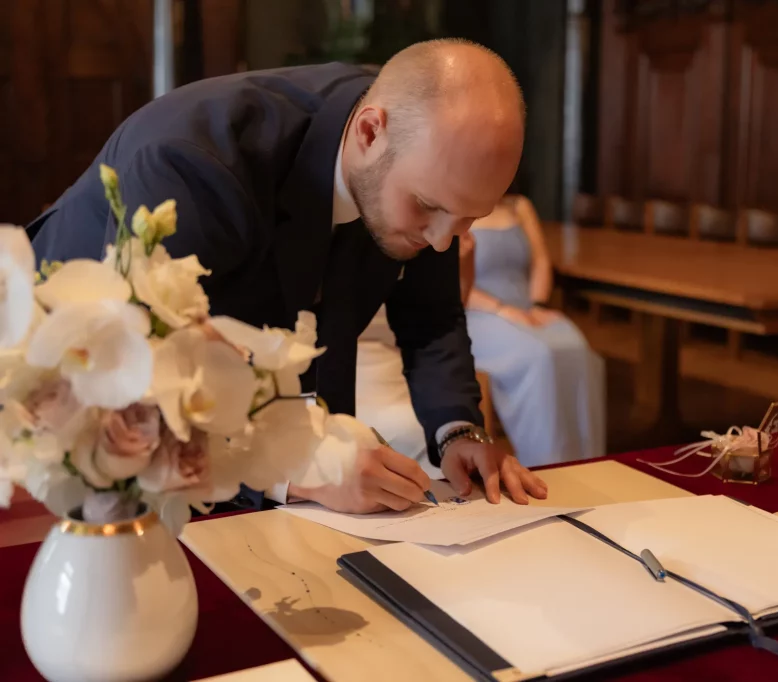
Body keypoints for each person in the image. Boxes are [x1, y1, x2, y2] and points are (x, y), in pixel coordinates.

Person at [26, 39, 548, 512]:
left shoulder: (428, 157)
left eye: (466, 221)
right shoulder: (195, 162)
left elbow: (430, 315)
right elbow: (150, 390)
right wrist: (302, 472)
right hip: (71, 407)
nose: (440, 242)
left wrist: (459, 431)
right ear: (369, 132)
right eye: (427, 209)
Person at [465, 194, 605, 466]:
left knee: (573, 344)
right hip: (479, 313)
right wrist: (501, 309)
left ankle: (589, 461)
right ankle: (546, 464)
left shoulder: (520, 206)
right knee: (538, 354)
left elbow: (541, 260)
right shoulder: (457, 203)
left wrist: (538, 304)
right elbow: (451, 280)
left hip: (526, 309)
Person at [355, 232, 475, 479]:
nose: (441, 242)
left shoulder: (430, 235)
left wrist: (457, 432)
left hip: (400, 369)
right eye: (426, 204)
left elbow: (433, 320)